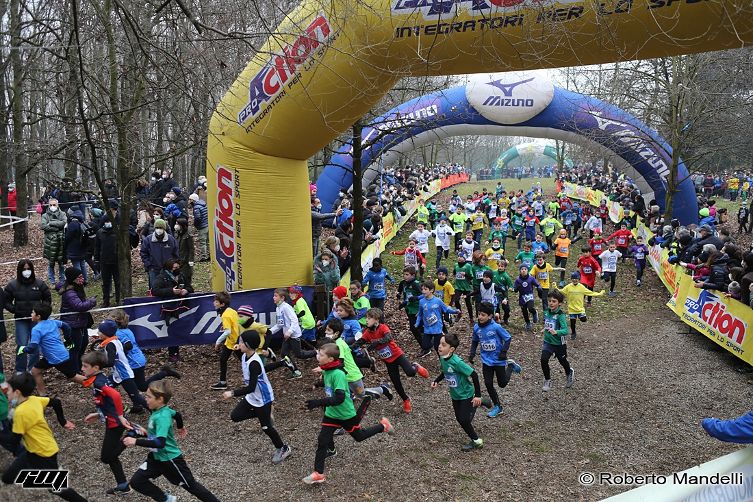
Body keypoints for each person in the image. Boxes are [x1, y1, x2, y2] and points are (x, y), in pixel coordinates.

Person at [302, 343, 393, 485]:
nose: (317, 356)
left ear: (331, 359)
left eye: (320, 354)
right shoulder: (328, 370)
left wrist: (318, 402)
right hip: (332, 413)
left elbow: (339, 398)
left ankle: (383, 426)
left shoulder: (337, 374)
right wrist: (318, 384)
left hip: (345, 414)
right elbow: (328, 384)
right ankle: (318, 473)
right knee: (322, 440)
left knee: (359, 437)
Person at [123, 381, 221, 502]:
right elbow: (177, 415)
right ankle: (166, 499)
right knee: (137, 481)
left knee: (192, 486)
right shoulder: (161, 410)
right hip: (155, 458)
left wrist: (135, 441)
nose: (145, 399)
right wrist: (180, 427)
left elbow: (160, 443)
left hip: (170, 460)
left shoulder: (162, 417)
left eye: (149, 397)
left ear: (160, 399)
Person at [1, 373, 86, 502]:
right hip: (33, 450)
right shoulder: (34, 399)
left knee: (55, 487)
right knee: (7, 478)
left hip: (44, 453)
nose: (6, 393)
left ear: (17, 392)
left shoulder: (21, 412)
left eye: (9, 390)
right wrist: (62, 421)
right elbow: (56, 402)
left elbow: (13, 441)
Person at [221, 330, 292, 464]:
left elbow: (251, 387)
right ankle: (264, 414)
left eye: (241, 342)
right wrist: (236, 348)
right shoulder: (245, 355)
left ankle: (283, 448)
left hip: (263, 398)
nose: (238, 343)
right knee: (235, 416)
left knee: (266, 427)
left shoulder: (254, 363)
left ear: (247, 345)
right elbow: (240, 353)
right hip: (252, 397)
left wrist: (232, 393)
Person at [357, 308, 429, 414]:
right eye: (366, 318)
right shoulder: (367, 333)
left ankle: (416, 366)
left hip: (397, 354)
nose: (366, 320)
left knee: (410, 373)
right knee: (396, 383)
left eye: (369, 318)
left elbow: (388, 338)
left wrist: (376, 343)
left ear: (376, 320)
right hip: (388, 361)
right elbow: (360, 342)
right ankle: (406, 399)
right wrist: (350, 348)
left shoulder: (383, 327)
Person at [81, 351, 132, 495]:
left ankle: (132, 435)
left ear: (95, 368)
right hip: (112, 420)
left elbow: (115, 395)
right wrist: (98, 414)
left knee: (106, 457)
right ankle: (123, 485)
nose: (82, 369)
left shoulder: (98, 383)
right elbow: (108, 403)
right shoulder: (100, 378)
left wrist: (121, 417)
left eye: (85, 366)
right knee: (111, 456)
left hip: (115, 424)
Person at [432, 333, 491, 452]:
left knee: (464, 420)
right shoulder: (443, 358)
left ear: (451, 349)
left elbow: (474, 375)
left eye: (443, 345)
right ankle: (480, 402)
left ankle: (476, 441)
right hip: (455, 394)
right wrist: (436, 381)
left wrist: (478, 395)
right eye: (439, 343)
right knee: (460, 418)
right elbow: (445, 371)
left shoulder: (457, 362)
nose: (439, 347)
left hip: (466, 394)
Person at [468, 302, 522, 418]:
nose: (480, 317)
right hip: (486, 360)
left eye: (483, 315)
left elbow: (508, 338)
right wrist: (472, 353)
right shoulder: (477, 327)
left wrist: (503, 352)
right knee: (488, 383)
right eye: (479, 314)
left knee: (502, 384)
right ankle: (498, 406)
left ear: (490, 316)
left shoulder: (496, 327)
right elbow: (475, 340)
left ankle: (511, 367)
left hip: (498, 360)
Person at [21, 302, 86, 396]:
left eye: (33, 312)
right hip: (51, 357)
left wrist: (23, 349)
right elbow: (66, 326)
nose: (31, 314)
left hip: (58, 358)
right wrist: (68, 339)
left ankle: (97, 385)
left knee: (73, 377)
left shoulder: (36, 329)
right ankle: (43, 396)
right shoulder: (53, 322)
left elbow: (33, 347)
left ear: (38, 316)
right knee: (35, 371)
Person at [110, 309, 180, 391]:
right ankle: (165, 372)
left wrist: (117, 352)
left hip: (134, 363)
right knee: (139, 386)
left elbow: (129, 346)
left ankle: (165, 373)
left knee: (137, 385)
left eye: (109, 320)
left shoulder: (119, 333)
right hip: (137, 359)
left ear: (115, 321)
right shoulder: (125, 330)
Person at [93, 320, 150, 414]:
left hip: (124, 374)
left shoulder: (110, 345)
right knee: (101, 388)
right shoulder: (114, 341)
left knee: (135, 396)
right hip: (117, 374)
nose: (98, 333)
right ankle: (107, 408)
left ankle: (154, 410)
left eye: (99, 331)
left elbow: (110, 362)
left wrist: (98, 365)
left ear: (105, 334)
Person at [5, 259, 52, 373]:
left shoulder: (40, 284)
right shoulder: (12, 285)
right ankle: (20, 370)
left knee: (34, 344)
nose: (26, 271)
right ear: (20, 270)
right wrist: (15, 310)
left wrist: (41, 311)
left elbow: (47, 298)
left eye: (28, 269)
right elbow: (6, 301)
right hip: (21, 320)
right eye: (24, 269)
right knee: (21, 344)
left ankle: (33, 369)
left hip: (36, 320)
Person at [268, 288, 316, 379]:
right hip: (287, 335)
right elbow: (280, 324)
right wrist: (270, 332)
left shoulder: (286, 307)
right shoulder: (278, 308)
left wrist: (289, 332)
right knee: (284, 354)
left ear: (282, 298)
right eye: (273, 295)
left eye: (275, 296)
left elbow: (294, 320)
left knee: (299, 354)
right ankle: (296, 372)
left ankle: (316, 353)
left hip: (294, 335)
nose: (273, 298)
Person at [152, 259, 194, 363]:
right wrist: (171, 291)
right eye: (175, 268)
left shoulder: (181, 276)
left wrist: (186, 290)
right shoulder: (161, 277)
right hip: (168, 308)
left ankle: (176, 353)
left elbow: (190, 287)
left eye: (178, 267)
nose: (177, 269)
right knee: (171, 330)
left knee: (178, 330)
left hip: (180, 307)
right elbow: (155, 290)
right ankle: (172, 353)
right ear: (169, 268)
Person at [57, 267, 96, 371]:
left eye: (82, 276)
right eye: (79, 277)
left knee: (83, 343)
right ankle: (73, 369)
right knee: (75, 348)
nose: (82, 279)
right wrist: (91, 302)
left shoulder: (76, 287)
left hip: (80, 322)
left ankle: (78, 366)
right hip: (72, 324)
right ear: (73, 279)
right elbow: (79, 306)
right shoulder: (70, 292)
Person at [541, 290, 574, 392]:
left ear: (559, 303)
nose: (551, 303)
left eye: (554, 301)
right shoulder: (546, 312)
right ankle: (547, 380)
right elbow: (548, 323)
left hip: (559, 343)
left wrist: (557, 332)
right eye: (550, 301)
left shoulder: (561, 315)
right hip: (548, 341)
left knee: (562, 361)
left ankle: (569, 372)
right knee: (544, 359)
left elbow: (566, 330)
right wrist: (545, 329)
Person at [416, 280, 459, 357]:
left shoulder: (438, 301)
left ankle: (443, 362)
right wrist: (417, 322)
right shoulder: (421, 301)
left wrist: (455, 311)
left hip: (437, 328)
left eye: (425, 289)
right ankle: (432, 344)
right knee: (425, 346)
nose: (423, 291)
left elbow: (446, 309)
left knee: (437, 348)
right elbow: (420, 314)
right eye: (422, 289)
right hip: (427, 328)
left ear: (431, 290)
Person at [557, 271, 605, 340]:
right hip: (571, 308)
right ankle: (573, 333)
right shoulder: (568, 287)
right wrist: (556, 287)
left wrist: (599, 294)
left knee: (583, 319)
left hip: (580, 309)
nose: (574, 280)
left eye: (576, 278)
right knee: (572, 322)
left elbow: (590, 293)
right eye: (573, 278)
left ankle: (581, 317)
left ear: (579, 279)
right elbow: (561, 291)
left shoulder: (581, 287)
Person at [211, 291, 240, 390]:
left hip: (236, 342)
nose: (214, 303)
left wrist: (218, 342)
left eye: (216, 302)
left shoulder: (225, 315)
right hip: (231, 341)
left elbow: (228, 331)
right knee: (223, 359)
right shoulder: (231, 311)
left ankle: (254, 379)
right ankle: (223, 382)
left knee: (246, 361)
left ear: (222, 304)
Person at [140, 218, 178, 290]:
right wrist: (148, 265)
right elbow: (143, 253)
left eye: (160, 228)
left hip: (168, 270)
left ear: (164, 228)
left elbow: (175, 253)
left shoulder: (171, 239)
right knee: (154, 289)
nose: (159, 230)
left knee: (169, 289)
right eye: (157, 228)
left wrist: (173, 266)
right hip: (153, 269)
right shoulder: (148, 239)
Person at [95, 215, 120, 307]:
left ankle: (119, 300)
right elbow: (97, 247)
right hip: (104, 261)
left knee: (118, 282)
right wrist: (96, 260)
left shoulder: (117, 231)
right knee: (105, 283)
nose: (108, 223)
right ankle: (106, 301)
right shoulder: (100, 233)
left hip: (116, 261)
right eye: (106, 221)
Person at [40, 197, 67, 284]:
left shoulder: (62, 214)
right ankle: (52, 280)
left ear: (57, 205)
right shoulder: (45, 215)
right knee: (51, 263)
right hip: (50, 242)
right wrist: (56, 228)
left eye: (54, 205)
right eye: (50, 205)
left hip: (60, 241)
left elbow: (63, 223)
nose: (52, 206)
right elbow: (43, 226)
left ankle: (62, 280)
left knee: (61, 262)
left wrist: (51, 223)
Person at [397, 265, 423, 347]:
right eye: (404, 274)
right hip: (409, 308)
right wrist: (402, 301)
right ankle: (428, 340)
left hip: (417, 309)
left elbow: (424, 295)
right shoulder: (404, 283)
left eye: (407, 274)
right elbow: (402, 292)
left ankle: (425, 346)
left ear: (413, 275)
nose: (405, 276)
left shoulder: (416, 284)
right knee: (417, 327)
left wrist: (416, 298)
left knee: (414, 328)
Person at [513, 265, 543, 331]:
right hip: (522, 297)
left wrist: (539, 287)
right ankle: (528, 323)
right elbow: (515, 288)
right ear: (520, 271)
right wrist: (515, 289)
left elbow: (537, 284)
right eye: (522, 269)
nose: (523, 270)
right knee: (524, 311)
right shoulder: (518, 280)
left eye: (525, 269)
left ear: (527, 270)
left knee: (530, 307)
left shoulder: (531, 278)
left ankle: (534, 312)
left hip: (529, 296)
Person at [64, 209, 89, 282]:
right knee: (82, 264)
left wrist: (65, 244)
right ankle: (85, 279)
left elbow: (68, 237)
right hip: (82, 247)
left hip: (74, 248)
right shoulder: (81, 223)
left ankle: (80, 280)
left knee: (77, 265)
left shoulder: (72, 224)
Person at [174, 218, 195, 284]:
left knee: (186, 277)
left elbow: (191, 249)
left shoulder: (188, 236)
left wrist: (190, 260)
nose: (176, 225)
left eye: (177, 224)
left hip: (185, 261)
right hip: (178, 260)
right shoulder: (177, 234)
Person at [189, 193, 209, 261]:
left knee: (202, 242)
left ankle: (204, 256)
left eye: (190, 199)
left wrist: (195, 225)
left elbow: (197, 218)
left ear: (193, 200)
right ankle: (209, 255)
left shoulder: (196, 207)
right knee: (207, 241)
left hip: (202, 226)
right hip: (207, 224)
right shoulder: (203, 204)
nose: (189, 201)